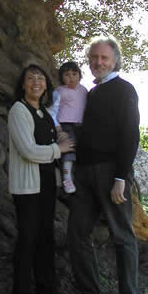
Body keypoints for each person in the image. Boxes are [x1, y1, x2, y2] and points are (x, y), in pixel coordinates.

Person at [64, 36, 140, 294]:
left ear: (115, 60)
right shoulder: (90, 93)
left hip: (111, 174)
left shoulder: (124, 90)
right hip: (84, 174)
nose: (98, 62)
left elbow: (130, 136)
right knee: (76, 233)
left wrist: (121, 177)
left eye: (104, 58)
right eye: (94, 58)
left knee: (122, 236)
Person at [8, 63, 75, 294]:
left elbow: (55, 142)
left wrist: (62, 145)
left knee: (46, 239)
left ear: (46, 84)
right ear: (23, 85)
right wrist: (60, 149)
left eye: (40, 78)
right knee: (27, 240)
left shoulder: (46, 114)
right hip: (27, 188)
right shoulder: (18, 111)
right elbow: (28, 150)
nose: (36, 82)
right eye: (30, 78)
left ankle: (46, 292)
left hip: (48, 185)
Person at [48, 61, 88, 194]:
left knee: (81, 150)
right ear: (61, 77)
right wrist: (57, 127)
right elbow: (52, 111)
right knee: (68, 148)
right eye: (67, 75)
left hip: (81, 126)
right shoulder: (60, 91)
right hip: (65, 124)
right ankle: (66, 177)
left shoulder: (84, 91)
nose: (71, 77)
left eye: (74, 74)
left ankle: (78, 177)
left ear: (80, 75)